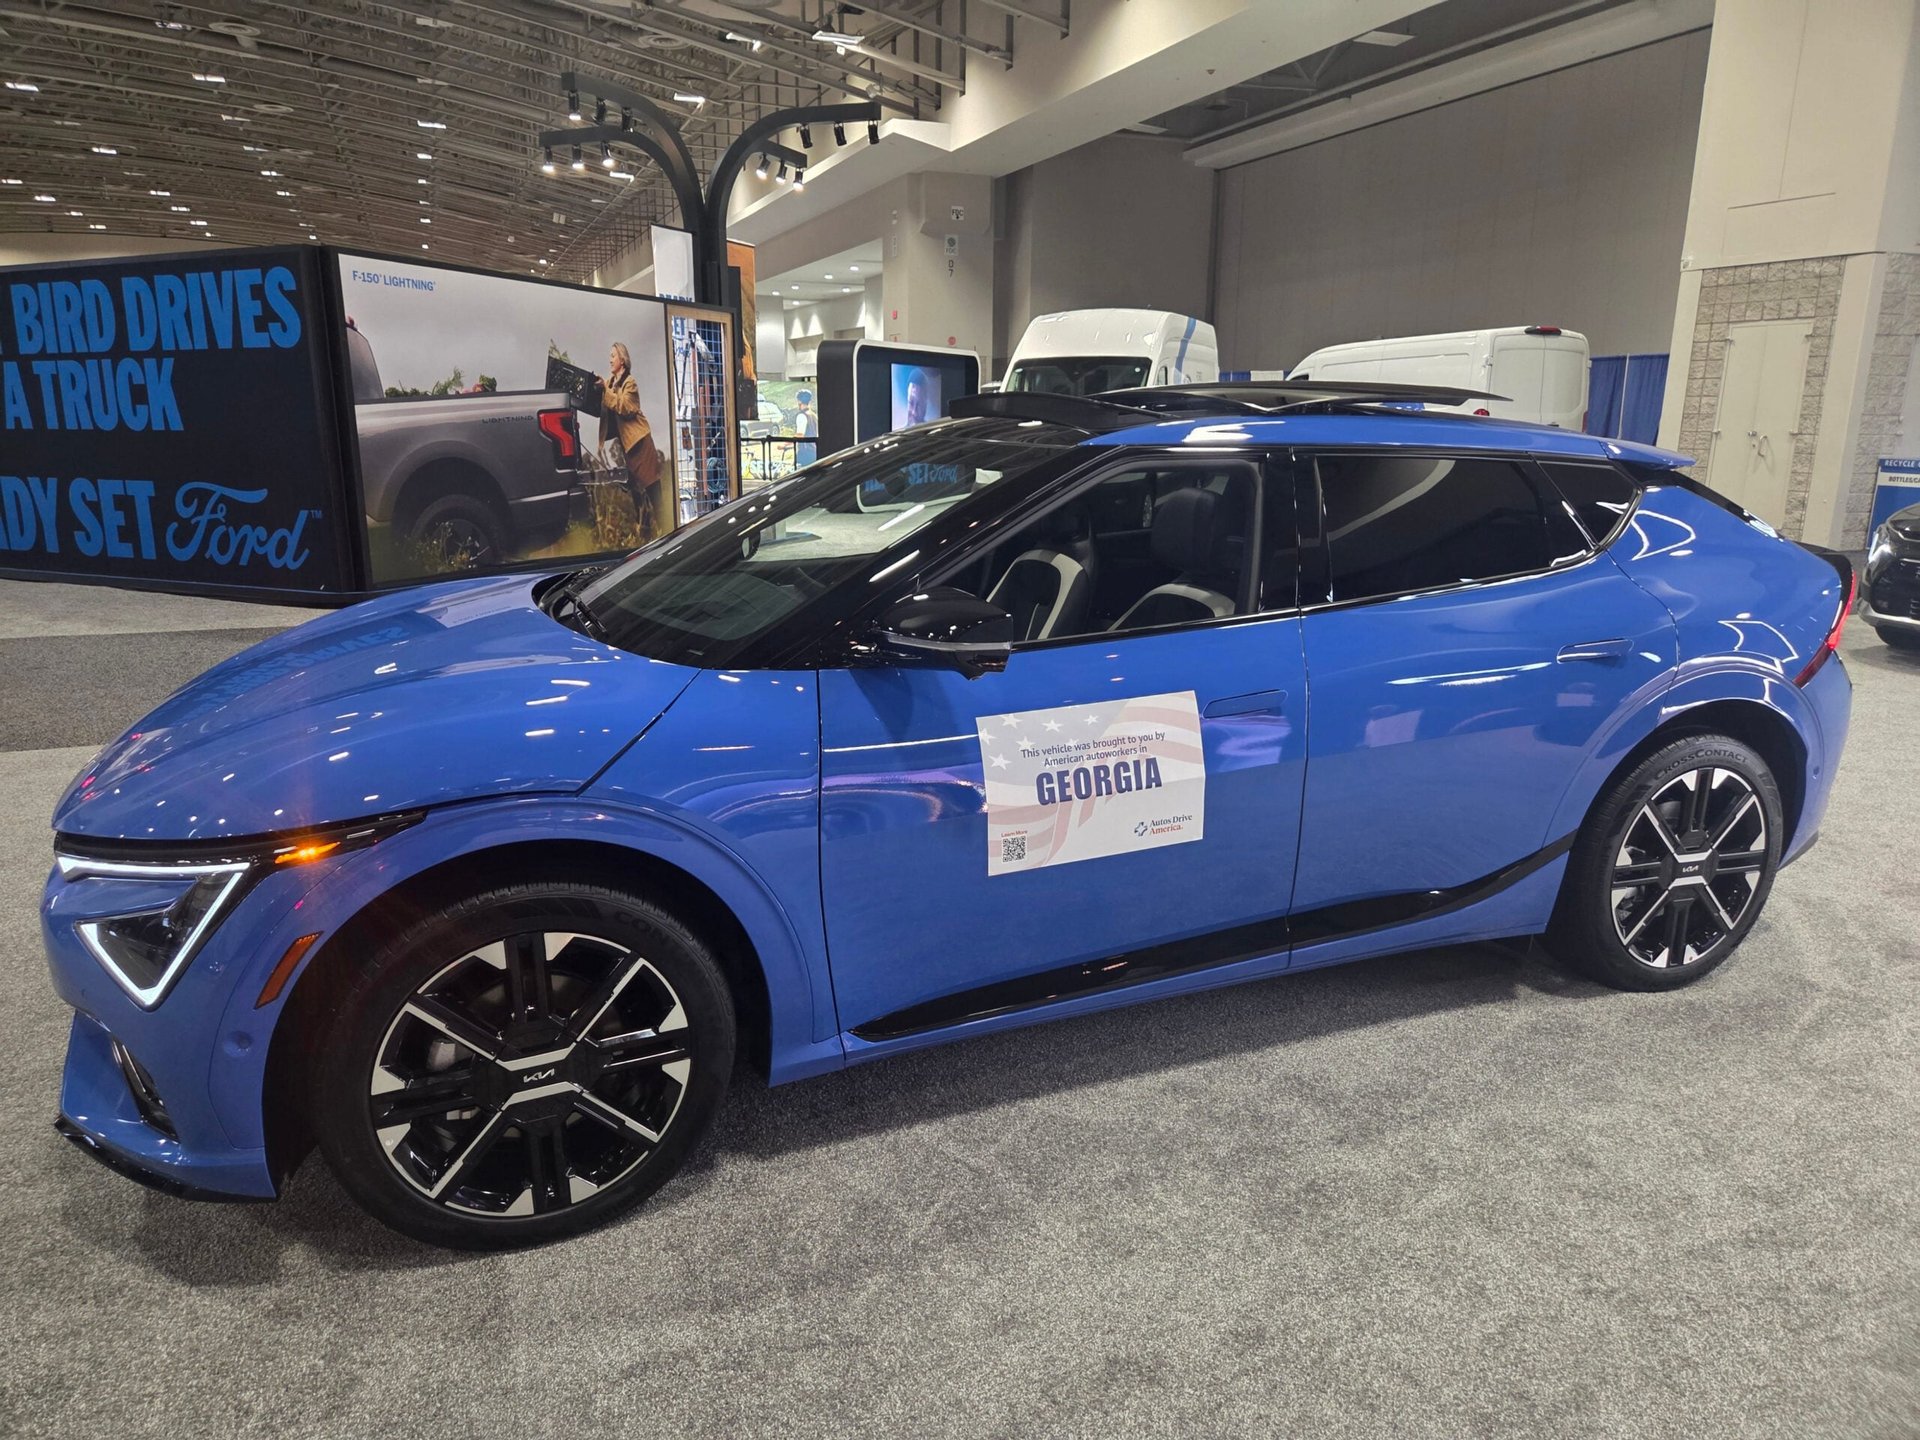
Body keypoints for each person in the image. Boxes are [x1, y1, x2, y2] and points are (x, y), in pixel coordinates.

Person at [597, 342, 664, 540]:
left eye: (613, 356)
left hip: (640, 443)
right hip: (628, 446)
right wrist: (598, 388)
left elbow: (625, 406)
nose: (610, 360)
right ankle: (643, 533)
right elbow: (605, 401)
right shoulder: (610, 383)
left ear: (623, 360)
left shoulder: (630, 382)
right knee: (636, 491)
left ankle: (665, 527)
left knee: (652, 488)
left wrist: (605, 390)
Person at [792, 387, 817, 466]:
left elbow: (800, 435)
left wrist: (785, 444)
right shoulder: (814, 415)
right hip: (814, 452)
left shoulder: (801, 416)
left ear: (799, 401)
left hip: (804, 453)